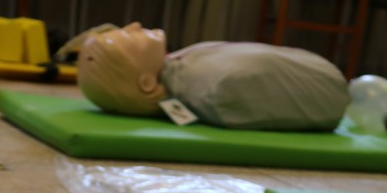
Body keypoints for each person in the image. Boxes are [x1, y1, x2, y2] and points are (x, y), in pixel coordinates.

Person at [76, 22, 350, 131]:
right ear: (146, 83)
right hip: (331, 85)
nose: (134, 25)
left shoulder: (187, 69)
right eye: (128, 37)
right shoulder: (220, 87)